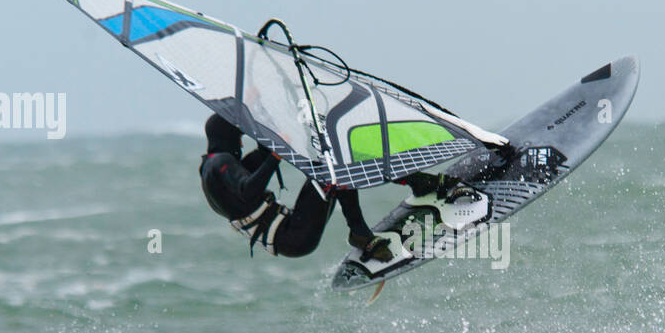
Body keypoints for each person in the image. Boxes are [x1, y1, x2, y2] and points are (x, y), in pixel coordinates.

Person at [200, 113, 468, 262]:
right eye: (238, 136)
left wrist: (256, 110)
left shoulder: (214, 167)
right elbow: (248, 190)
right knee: (335, 171)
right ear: (226, 137)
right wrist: (274, 157)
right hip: (294, 236)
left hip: (290, 233)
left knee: (335, 166)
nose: (240, 142)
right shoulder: (220, 164)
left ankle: (417, 181)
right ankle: (361, 233)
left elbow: (263, 152)